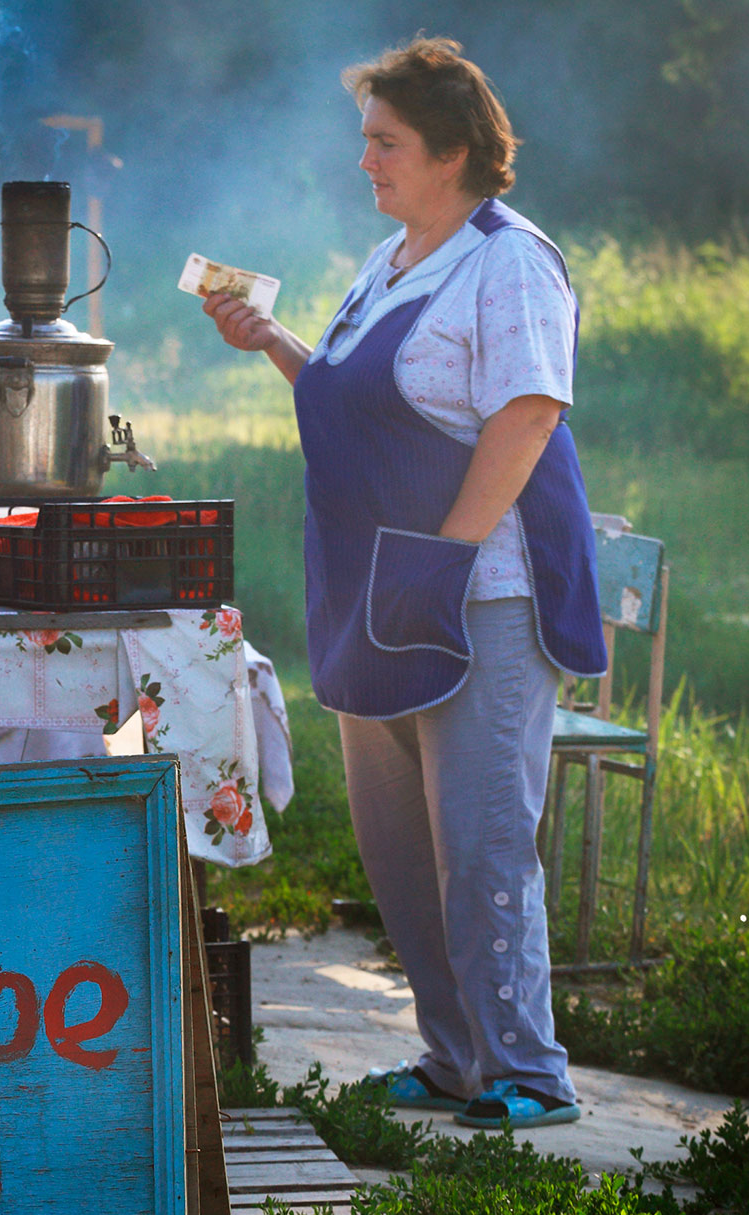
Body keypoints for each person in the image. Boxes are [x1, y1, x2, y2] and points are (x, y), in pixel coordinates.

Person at [201, 37, 607, 1129]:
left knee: (479, 842)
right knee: (400, 850)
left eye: (385, 142)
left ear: (454, 151)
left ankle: (527, 1070)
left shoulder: (509, 260)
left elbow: (527, 413)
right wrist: (271, 338)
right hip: (375, 595)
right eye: (365, 141)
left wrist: (448, 557)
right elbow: (350, 395)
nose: (366, 162)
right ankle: (451, 1057)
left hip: (478, 595)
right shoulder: (388, 260)